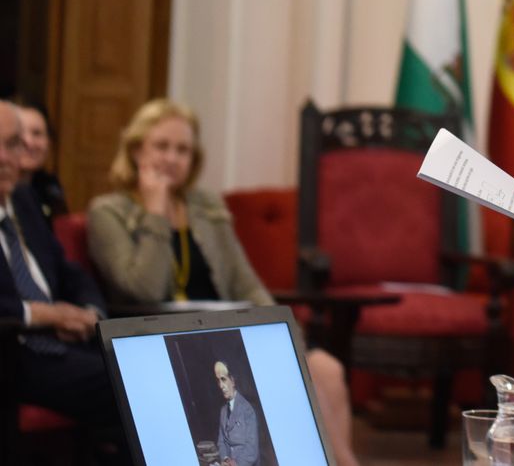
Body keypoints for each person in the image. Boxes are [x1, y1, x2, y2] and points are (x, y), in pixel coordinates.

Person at [85, 99, 360, 466]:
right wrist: (155, 212)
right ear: (136, 151)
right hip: (161, 342)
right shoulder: (108, 211)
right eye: (161, 146)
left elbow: (246, 285)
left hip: (223, 332)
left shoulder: (207, 208)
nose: (172, 158)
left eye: (182, 150)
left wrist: (286, 336)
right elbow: (142, 288)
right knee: (306, 376)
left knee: (326, 366)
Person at [0, 99, 127, 460]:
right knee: (130, 384)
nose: (5, 158)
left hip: (67, 343)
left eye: (12, 144)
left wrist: (89, 312)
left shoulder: (22, 199)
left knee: (150, 366)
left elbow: (69, 271)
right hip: (17, 351)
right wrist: (45, 314)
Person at [12, 95, 69, 220]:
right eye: (19, 133)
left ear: (49, 142)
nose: (28, 142)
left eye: (37, 133)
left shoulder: (50, 186)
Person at [213, 360, 260, 466]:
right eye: (218, 381)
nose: (221, 386)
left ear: (233, 380)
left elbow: (252, 451)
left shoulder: (247, 410)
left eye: (223, 379)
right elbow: (221, 441)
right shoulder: (223, 411)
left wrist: (234, 464)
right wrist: (225, 459)